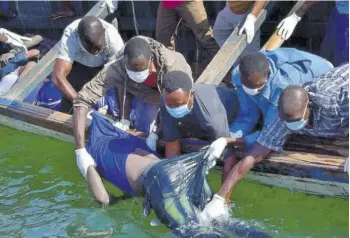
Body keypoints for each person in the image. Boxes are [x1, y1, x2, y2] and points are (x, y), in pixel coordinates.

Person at [77, 111, 271, 238]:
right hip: (179, 168)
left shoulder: (93, 151)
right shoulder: (122, 139)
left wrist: (88, 167)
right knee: (221, 221)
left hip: (160, 181)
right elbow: (146, 155)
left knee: (195, 232)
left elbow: (103, 199)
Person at [200, 64, 349, 221]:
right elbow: (254, 155)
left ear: (310, 107)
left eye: (296, 121)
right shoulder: (284, 116)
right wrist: (220, 197)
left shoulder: (334, 102)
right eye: (288, 122)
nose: (291, 126)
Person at [72, 36, 193, 151]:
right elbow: (83, 98)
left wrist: (158, 133)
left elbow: (179, 101)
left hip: (174, 95)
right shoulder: (118, 66)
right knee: (143, 127)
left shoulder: (173, 67)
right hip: (145, 93)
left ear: (151, 59)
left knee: (176, 126)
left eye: (141, 69)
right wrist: (80, 150)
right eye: (132, 70)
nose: (137, 73)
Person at [160, 70, 240, 159]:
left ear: (192, 94)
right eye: (170, 105)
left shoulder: (211, 114)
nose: (174, 109)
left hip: (237, 119)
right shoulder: (166, 99)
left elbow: (229, 154)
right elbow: (171, 143)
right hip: (203, 125)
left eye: (179, 104)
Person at [52, 16, 124, 114]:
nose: (94, 51)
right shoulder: (71, 36)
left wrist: (123, 116)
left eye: (98, 47)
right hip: (78, 65)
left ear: (104, 34)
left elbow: (120, 79)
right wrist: (80, 104)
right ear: (79, 37)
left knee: (106, 99)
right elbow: (58, 77)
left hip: (102, 67)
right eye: (90, 47)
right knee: (70, 101)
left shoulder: (114, 39)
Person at [277, 1, 349, 66]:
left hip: (345, 18)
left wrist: (297, 15)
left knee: (340, 64)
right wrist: (296, 16)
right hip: (339, 12)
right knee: (326, 59)